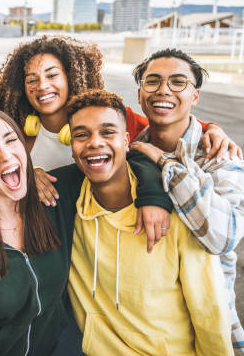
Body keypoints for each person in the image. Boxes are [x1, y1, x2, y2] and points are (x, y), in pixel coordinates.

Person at [0, 107, 172, 355]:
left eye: (11, 140)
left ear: (24, 147)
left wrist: (152, 194)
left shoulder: (54, 197)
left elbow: (119, 159)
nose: (5, 155)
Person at [0, 35, 239, 252]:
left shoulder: (111, 118)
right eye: (32, 79)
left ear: (71, 76)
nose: (43, 86)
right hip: (35, 243)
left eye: (52, 75)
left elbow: (161, 126)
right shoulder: (13, 129)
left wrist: (211, 128)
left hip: (95, 242)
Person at [63, 89, 233, 355]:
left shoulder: (175, 214)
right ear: (71, 145)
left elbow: (209, 312)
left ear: (128, 140)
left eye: (108, 132)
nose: (94, 142)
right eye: (81, 135)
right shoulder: (68, 205)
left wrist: (213, 128)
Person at [129, 48, 244, 355]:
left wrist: (165, 163)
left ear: (195, 95)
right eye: (153, 81)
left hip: (205, 319)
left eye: (177, 82)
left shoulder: (221, 157)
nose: (163, 90)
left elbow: (223, 236)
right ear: (139, 93)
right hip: (141, 321)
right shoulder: (128, 150)